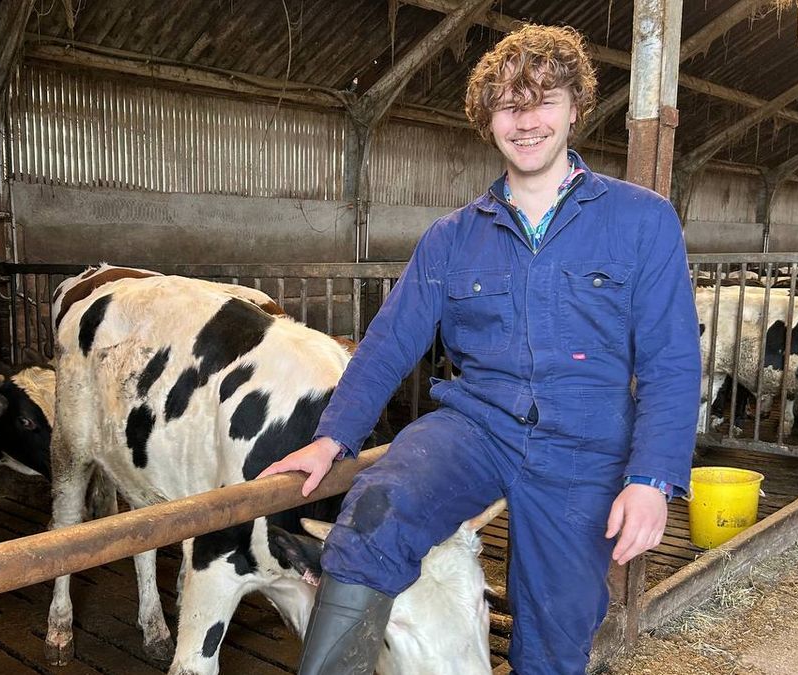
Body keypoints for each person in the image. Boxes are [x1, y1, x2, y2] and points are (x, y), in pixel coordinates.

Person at [259, 24, 701, 675]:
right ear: (486, 118)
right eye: (508, 104)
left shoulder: (642, 220)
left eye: (544, 99)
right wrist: (334, 437)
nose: (527, 120)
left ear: (576, 108)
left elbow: (671, 361)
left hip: (585, 440)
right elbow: (389, 341)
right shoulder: (451, 238)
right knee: (374, 515)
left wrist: (651, 478)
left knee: (554, 628)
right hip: (476, 424)